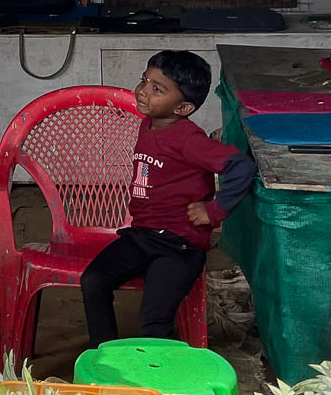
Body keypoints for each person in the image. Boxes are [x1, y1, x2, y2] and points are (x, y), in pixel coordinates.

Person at [81, 49, 256, 346]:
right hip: (144, 235)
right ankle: (104, 354)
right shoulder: (147, 123)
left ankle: (155, 381)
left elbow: (242, 166)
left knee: (154, 320)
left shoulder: (188, 140)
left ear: (184, 108)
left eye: (157, 89)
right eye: (144, 81)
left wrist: (213, 211)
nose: (143, 92)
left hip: (180, 245)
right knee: (93, 280)